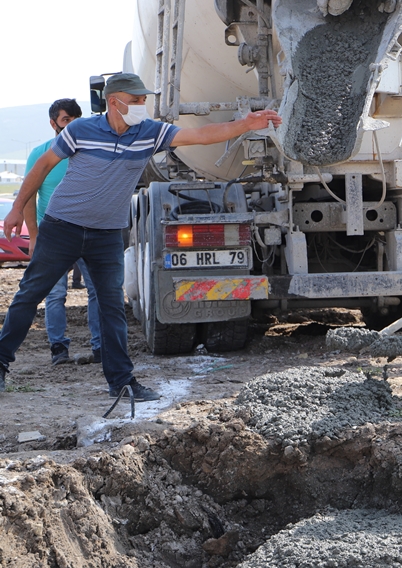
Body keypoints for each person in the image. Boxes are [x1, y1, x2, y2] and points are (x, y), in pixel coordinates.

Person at [0, 73, 282, 399]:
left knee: (111, 307)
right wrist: (17, 208)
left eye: (144, 100)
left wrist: (245, 124)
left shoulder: (149, 133)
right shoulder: (80, 130)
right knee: (28, 296)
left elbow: (201, 135)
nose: (141, 106)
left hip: (106, 235)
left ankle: (121, 382)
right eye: (135, 101)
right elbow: (43, 166)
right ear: (114, 102)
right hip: (62, 227)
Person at [23, 99, 102, 365]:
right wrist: (34, 236)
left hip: (90, 232)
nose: (72, 124)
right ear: (53, 123)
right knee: (55, 294)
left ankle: (101, 347)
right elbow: (29, 197)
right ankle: (59, 349)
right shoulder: (40, 154)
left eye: (76, 118)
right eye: (66, 119)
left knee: (98, 291)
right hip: (53, 235)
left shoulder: (91, 152)